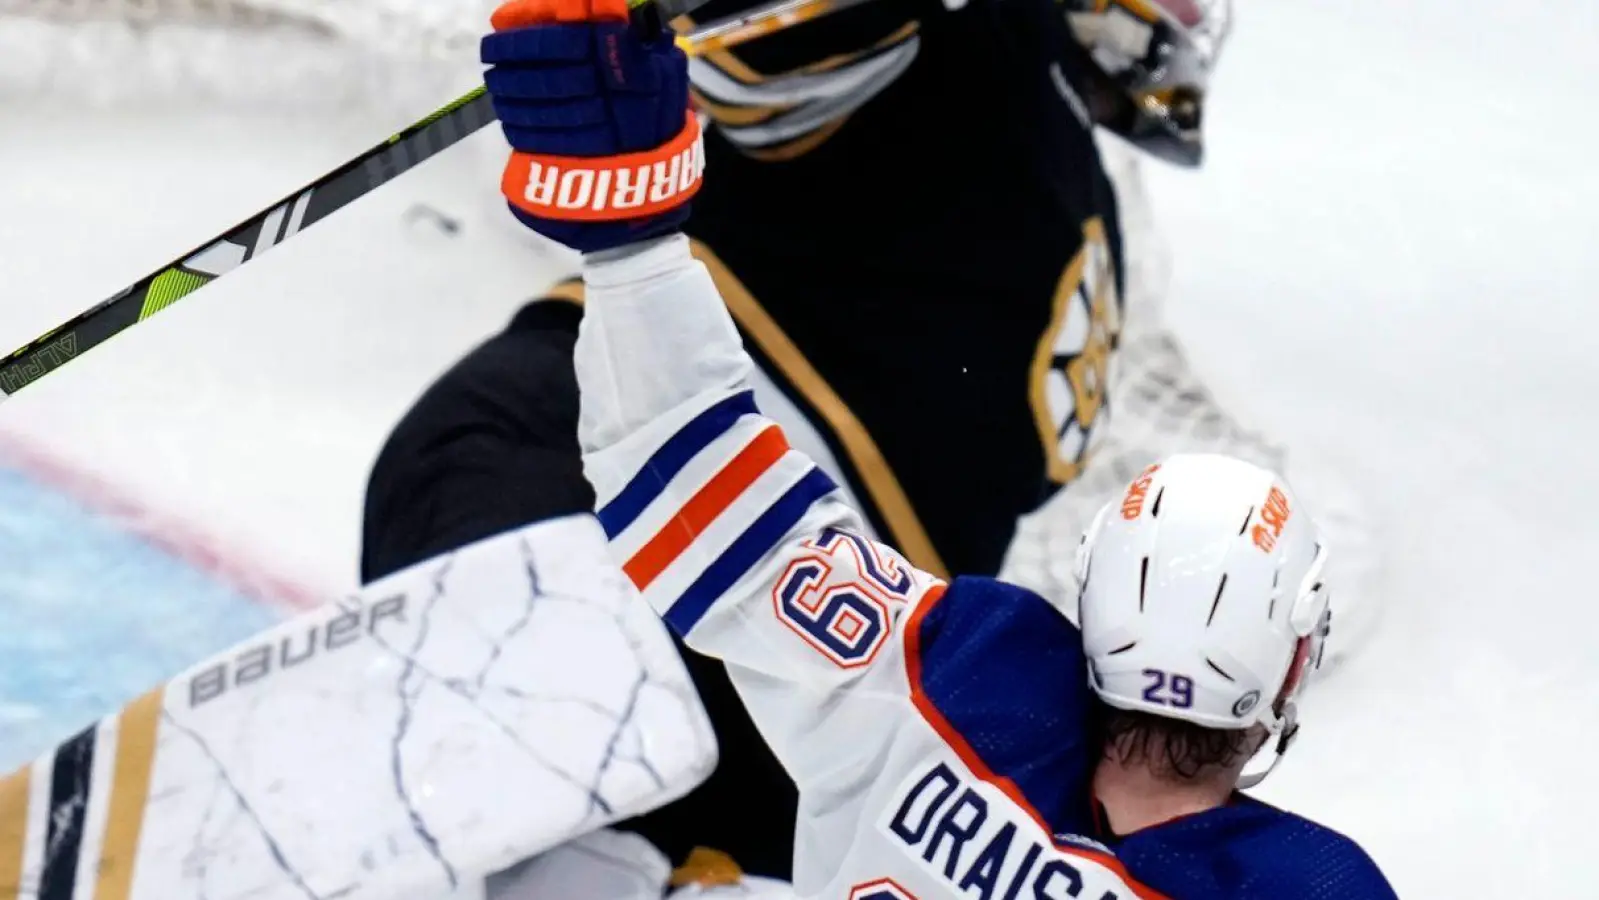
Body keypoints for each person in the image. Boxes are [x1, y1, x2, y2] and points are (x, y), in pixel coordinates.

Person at [366, 0, 1340, 883]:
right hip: (598, 486)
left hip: (763, 636)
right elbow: (770, 65)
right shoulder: (973, 48)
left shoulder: (1040, 122)